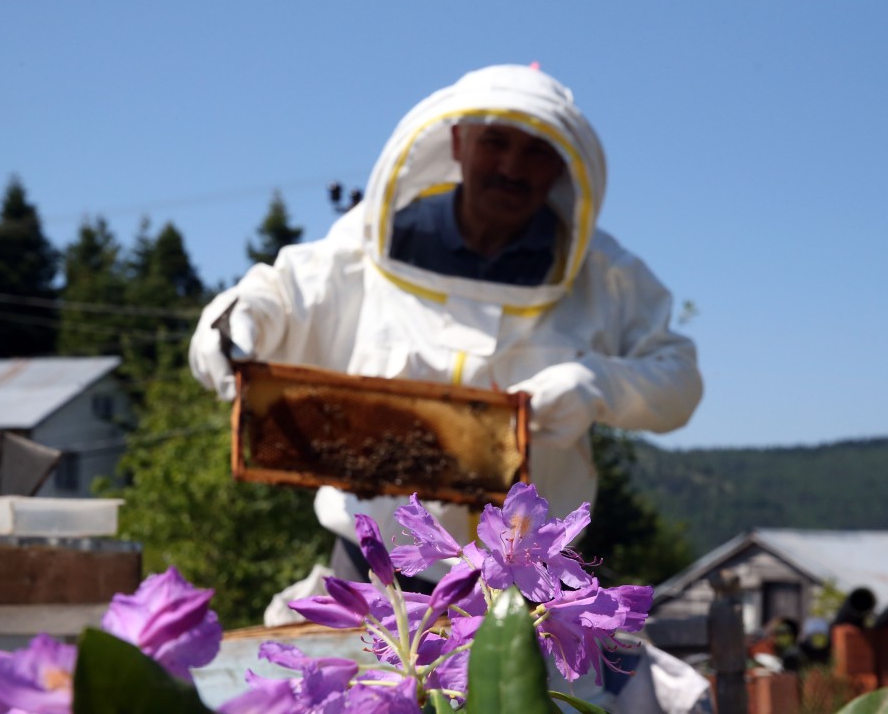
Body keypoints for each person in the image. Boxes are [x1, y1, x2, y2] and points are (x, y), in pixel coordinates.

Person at [190, 63, 703, 588]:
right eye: (495, 142)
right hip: (374, 573)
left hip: (522, 585)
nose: (512, 167)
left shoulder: (604, 273)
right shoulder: (368, 241)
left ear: (562, 169)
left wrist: (597, 385)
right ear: (457, 142)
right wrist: (234, 328)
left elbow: (680, 379)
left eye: (536, 152)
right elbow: (278, 295)